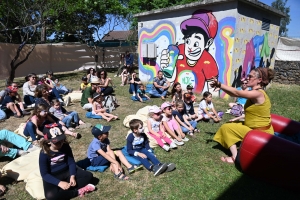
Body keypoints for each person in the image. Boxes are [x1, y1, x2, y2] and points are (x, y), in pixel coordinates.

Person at [211, 67, 275, 164]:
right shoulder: (257, 93)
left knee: (226, 128)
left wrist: (220, 84)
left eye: (250, 76)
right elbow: (235, 94)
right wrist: (220, 87)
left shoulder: (258, 94)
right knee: (231, 124)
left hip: (261, 133)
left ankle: (235, 157)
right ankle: (240, 147)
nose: (247, 78)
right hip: (258, 129)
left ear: (259, 80)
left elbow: (237, 92)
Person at [39, 127, 95, 200]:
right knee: (50, 196)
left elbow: (71, 162)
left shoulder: (65, 146)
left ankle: (64, 191)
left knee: (88, 176)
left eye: (61, 140)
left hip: (67, 171)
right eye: (56, 142)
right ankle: (77, 191)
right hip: (53, 175)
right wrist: (59, 183)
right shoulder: (44, 153)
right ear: (48, 141)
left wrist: (72, 175)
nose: (60, 143)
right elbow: (44, 174)